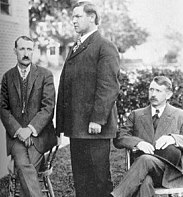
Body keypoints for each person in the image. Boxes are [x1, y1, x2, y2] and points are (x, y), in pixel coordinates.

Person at [56, 1, 120, 197]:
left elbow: (108, 86)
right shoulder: (76, 47)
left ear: (92, 17)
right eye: (72, 17)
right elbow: (68, 86)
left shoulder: (104, 47)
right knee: (81, 182)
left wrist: (97, 119)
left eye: (78, 16)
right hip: (77, 127)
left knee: (99, 181)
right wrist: (61, 124)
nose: (73, 20)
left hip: (95, 128)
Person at [111, 76, 183, 197]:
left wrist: (173, 138)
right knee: (145, 181)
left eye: (158, 91)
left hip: (170, 172)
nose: (153, 94)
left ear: (168, 95)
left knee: (145, 160)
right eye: (151, 90)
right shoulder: (136, 115)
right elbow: (120, 137)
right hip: (140, 171)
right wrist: (138, 143)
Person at [0, 35, 57, 197]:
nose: (26, 53)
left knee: (24, 167)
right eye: (22, 49)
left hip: (39, 136)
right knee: (26, 167)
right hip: (16, 137)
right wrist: (19, 131)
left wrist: (30, 129)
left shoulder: (45, 75)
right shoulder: (8, 77)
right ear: (15, 51)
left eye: (29, 49)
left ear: (34, 52)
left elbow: (48, 107)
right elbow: (3, 109)